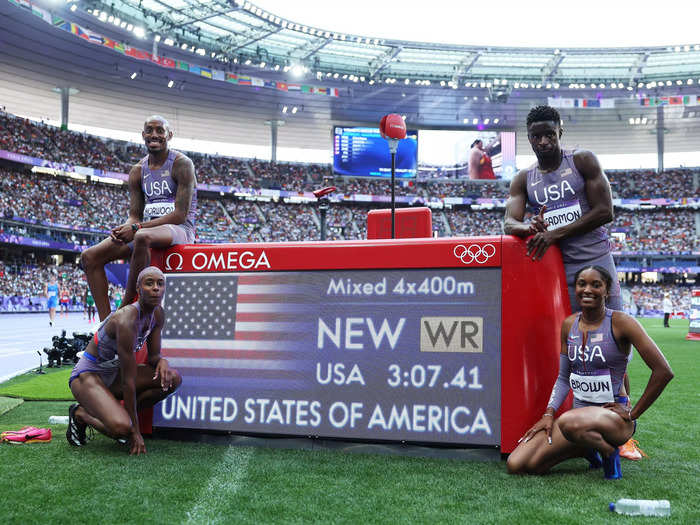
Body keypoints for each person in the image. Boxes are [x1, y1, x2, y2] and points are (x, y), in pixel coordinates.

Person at [506, 266, 673, 479]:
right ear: (575, 288)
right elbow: (564, 378)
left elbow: (663, 371)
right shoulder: (569, 325)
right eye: (582, 284)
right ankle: (585, 448)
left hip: (613, 419)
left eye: (596, 285)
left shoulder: (622, 323)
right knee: (519, 464)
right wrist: (548, 414)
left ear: (607, 290)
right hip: (577, 421)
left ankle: (608, 451)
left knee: (567, 421)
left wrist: (633, 413)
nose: (587, 289)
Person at [80, 115, 197, 321]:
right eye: (150, 130)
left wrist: (135, 229)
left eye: (160, 131)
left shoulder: (182, 164)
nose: (154, 134)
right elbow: (134, 215)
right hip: (146, 228)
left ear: (169, 135)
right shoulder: (137, 171)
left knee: (142, 236)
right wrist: (123, 229)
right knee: (89, 256)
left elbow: (179, 215)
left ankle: (126, 305)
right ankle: (107, 325)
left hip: (179, 229)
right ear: (143, 135)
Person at [67, 267, 181, 455]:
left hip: (114, 374)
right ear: (138, 288)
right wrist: (135, 431)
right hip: (88, 375)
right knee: (122, 429)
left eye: (160, 284)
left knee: (172, 379)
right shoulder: (127, 319)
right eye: (149, 283)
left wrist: (163, 362)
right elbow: (129, 382)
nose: (156, 288)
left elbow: (153, 357)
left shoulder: (158, 314)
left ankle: (118, 415)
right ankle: (80, 414)